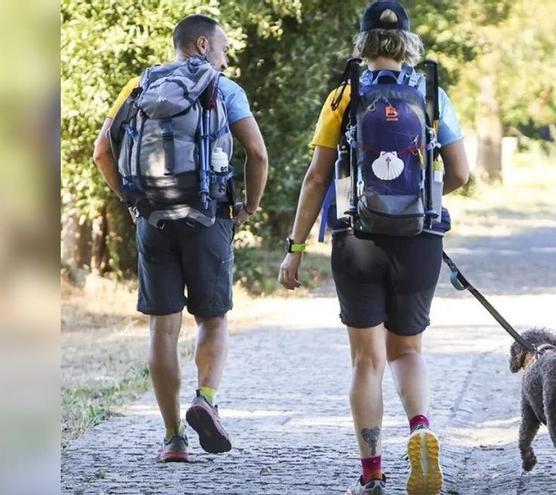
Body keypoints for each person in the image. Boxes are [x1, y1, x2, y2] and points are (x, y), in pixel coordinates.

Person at [277, 2, 469, 494]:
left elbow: (318, 176)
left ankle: (372, 473)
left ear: (361, 45)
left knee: (367, 360)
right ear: (407, 44)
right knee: (408, 350)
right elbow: (463, 174)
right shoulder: (431, 94)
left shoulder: (343, 97)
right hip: (419, 238)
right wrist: (417, 201)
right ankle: (421, 427)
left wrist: (295, 247)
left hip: (356, 238)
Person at [92, 14, 268, 462]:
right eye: (225, 49)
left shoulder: (140, 85)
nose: (227, 59)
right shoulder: (224, 89)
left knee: (162, 327)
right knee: (213, 319)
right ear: (204, 44)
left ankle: (173, 440)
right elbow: (258, 153)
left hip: (154, 219)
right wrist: (248, 206)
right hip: (209, 217)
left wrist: (133, 201)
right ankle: (205, 399)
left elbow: (101, 151)